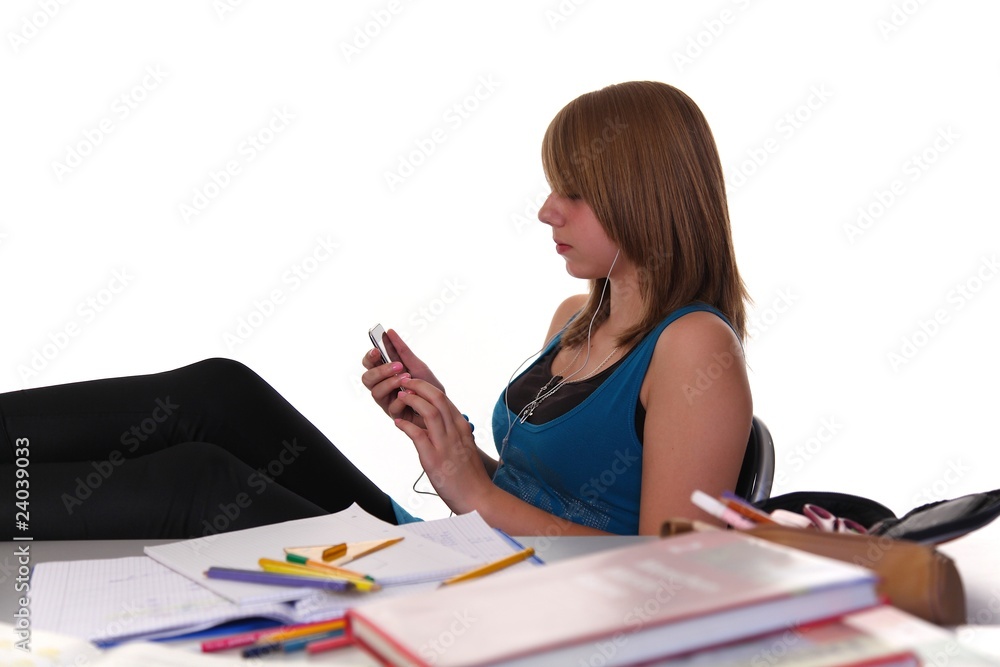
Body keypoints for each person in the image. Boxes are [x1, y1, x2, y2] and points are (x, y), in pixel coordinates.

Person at [0, 81, 751, 539]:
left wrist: (474, 493)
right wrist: (448, 438)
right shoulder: (573, 318)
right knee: (220, 391)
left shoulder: (694, 346)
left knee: (201, 482)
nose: (547, 210)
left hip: (506, 598)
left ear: (643, 198)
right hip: (456, 554)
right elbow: (526, 495)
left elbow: (671, 576)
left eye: (574, 193)